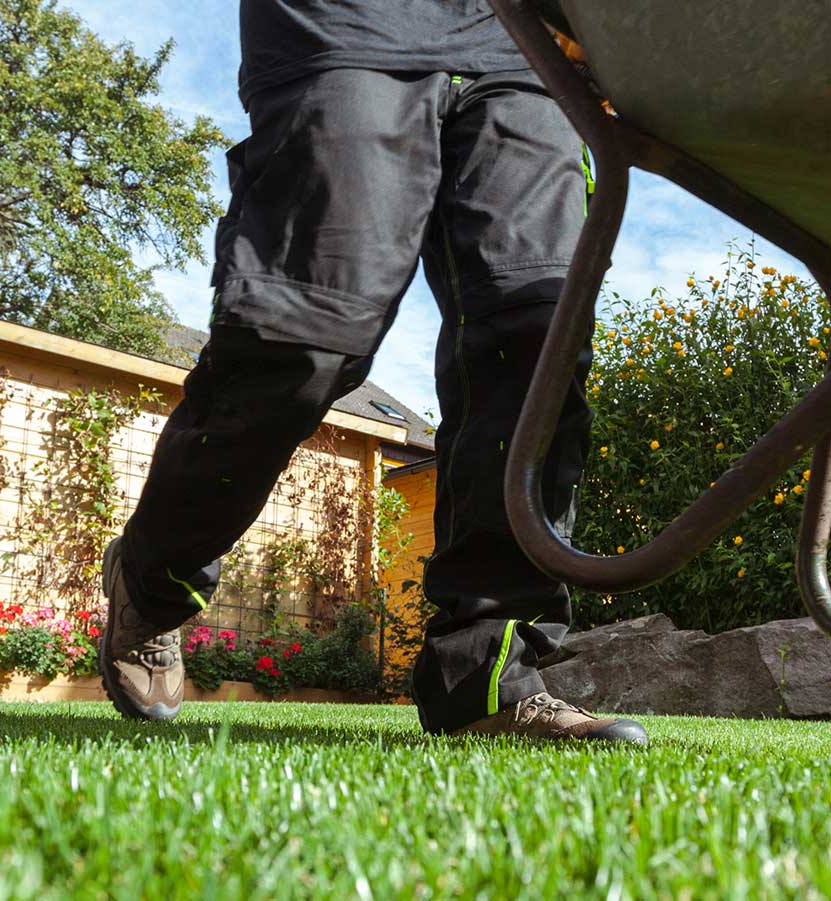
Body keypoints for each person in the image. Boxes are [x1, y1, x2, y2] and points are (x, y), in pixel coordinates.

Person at [97, 0, 647, 744]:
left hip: (526, 51)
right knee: (302, 336)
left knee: (537, 337)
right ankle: (154, 580)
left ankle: (486, 675)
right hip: (345, 26)